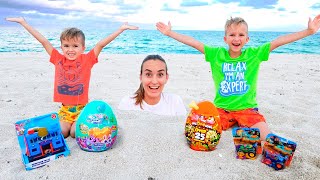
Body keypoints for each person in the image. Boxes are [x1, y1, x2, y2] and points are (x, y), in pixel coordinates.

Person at [156, 15, 320, 140]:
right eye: (232, 34)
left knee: (267, 136)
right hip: (221, 109)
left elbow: (278, 42)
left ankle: (246, 130)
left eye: (241, 35)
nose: (236, 38)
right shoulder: (216, 55)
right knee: (201, 130)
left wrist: (309, 31)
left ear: (247, 39)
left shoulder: (254, 54)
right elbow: (194, 43)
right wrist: (170, 33)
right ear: (225, 38)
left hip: (247, 110)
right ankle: (234, 127)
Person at [6, 17, 138, 138]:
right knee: (62, 133)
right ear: (61, 47)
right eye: (66, 46)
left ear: (83, 47)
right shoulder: (58, 59)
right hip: (65, 111)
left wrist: (120, 29)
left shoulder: (87, 60)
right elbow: (43, 41)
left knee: (75, 133)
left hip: (82, 110)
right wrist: (23, 23)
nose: (70, 50)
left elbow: (100, 45)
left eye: (75, 46)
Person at [118, 54, 187, 116]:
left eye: (160, 74)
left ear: (166, 77)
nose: (154, 81)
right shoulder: (127, 103)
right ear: (141, 77)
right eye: (148, 74)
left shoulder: (175, 102)